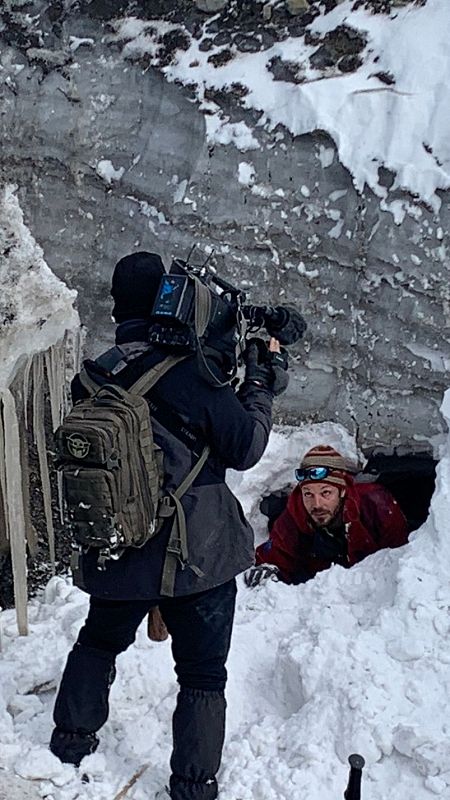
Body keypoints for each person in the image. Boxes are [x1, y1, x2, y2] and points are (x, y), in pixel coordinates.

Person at [49, 251, 295, 800]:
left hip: (120, 546)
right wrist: (258, 383)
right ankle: (192, 786)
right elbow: (246, 446)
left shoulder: (95, 374)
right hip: (197, 556)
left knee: (97, 642)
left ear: (118, 307)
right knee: (203, 675)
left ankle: (68, 745)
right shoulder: (193, 374)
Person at [245, 444, 409, 587]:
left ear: (342, 490)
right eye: (308, 494)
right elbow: (274, 556)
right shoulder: (295, 514)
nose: (317, 504)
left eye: (326, 493)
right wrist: (267, 569)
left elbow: (401, 558)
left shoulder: (376, 505)